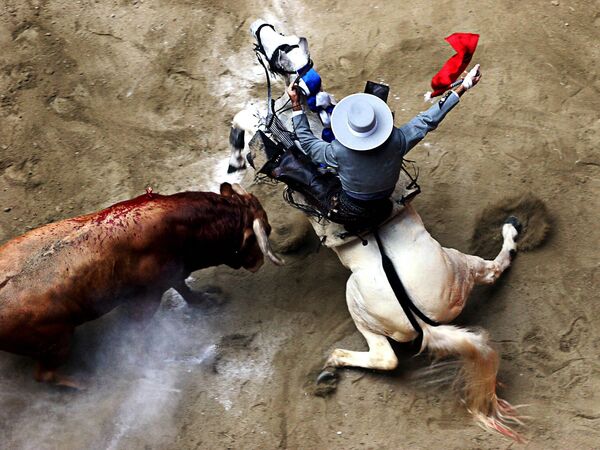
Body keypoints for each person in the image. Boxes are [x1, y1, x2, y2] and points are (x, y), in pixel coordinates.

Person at [287, 65, 482, 231]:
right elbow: (428, 120)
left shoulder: (337, 150)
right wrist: (464, 86)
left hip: (353, 207)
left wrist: (296, 105)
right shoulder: (397, 139)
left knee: (311, 183)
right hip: (383, 201)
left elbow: (307, 142)